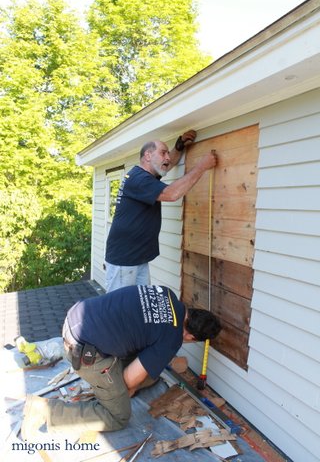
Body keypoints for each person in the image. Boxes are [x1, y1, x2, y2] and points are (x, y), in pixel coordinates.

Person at [21, 284, 221, 439]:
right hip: (83, 351)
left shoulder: (166, 293)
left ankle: (109, 387)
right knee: (118, 416)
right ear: (192, 337)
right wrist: (122, 393)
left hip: (77, 317)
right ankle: (45, 411)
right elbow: (128, 380)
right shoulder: (172, 338)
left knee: (150, 374)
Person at [105, 130, 218, 292]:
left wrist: (179, 146)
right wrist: (202, 167)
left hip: (137, 256)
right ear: (148, 156)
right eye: (163, 153)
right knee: (119, 308)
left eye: (167, 153)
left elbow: (168, 165)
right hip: (125, 258)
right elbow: (171, 194)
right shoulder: (139, 179)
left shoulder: (146, 176)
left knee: (142, 304)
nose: (167, 157)